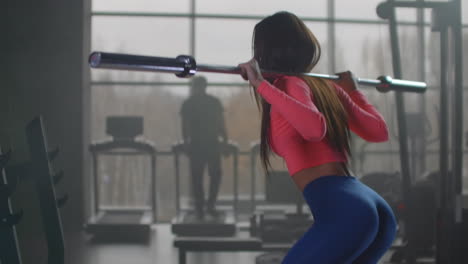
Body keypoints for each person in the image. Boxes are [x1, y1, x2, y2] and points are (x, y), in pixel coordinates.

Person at [238, 11, 397, 264]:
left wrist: (260, 84)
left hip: (346, 209)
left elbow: (313, 128)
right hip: (370, 206)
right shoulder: (327, 88)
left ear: (267, 50)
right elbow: (378, 131)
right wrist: (353, 92)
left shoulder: (288, 84)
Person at [180, 76, 228, 220]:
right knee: (214, 176)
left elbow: (185, 126)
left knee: (198, 177)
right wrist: (225, 140)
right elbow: (221, 124)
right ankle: (209, 206)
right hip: (211, 143)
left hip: (197, 144)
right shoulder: (214, 102)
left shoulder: (188, 103)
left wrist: (186, 142)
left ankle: (202, 208)